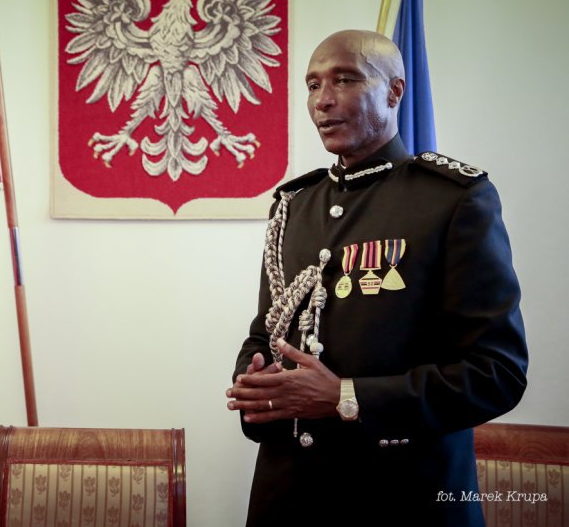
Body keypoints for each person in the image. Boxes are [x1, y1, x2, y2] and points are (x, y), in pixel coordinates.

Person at [226, 29, 528, 527]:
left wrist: (346, 397)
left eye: (345, 80)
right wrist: (256, 382)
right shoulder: (294, 206)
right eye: (313, 84)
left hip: (405, 500)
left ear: (394, 92)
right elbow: (266, 331)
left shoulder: (453, 200)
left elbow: (497, 373)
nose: (323, 100)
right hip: (289, 498)